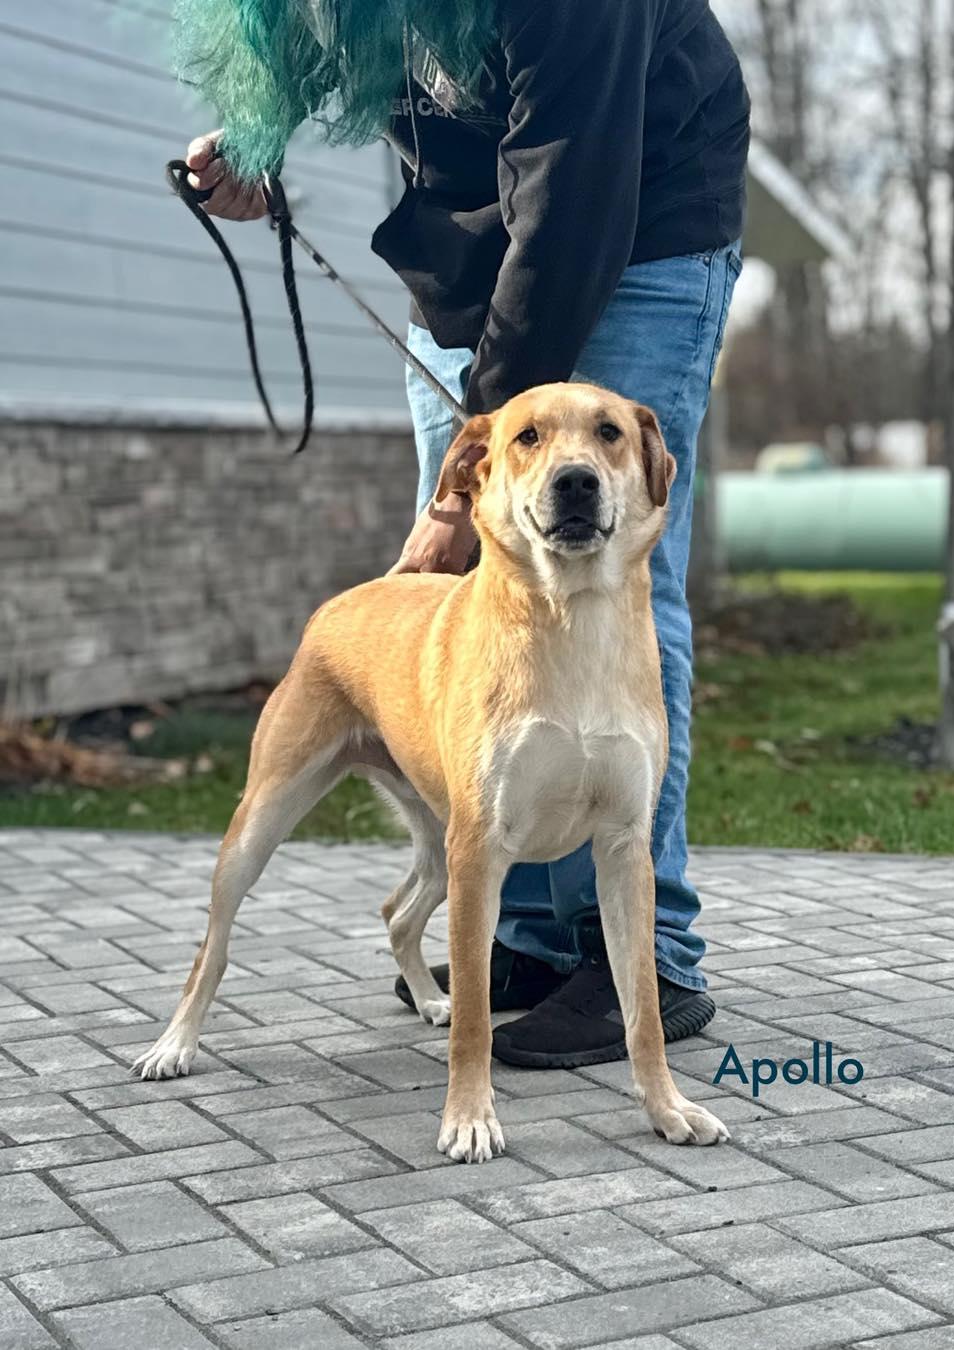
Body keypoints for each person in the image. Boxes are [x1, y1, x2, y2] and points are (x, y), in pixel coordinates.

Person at [178, 0, 750, 1068]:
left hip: (636, 221)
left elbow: (575, 196)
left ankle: (649, 961)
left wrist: (463, 486)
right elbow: (325, 58)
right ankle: (526, 934)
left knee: (616, 569)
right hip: (475, 247)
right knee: (493, 600)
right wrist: (257, 147)